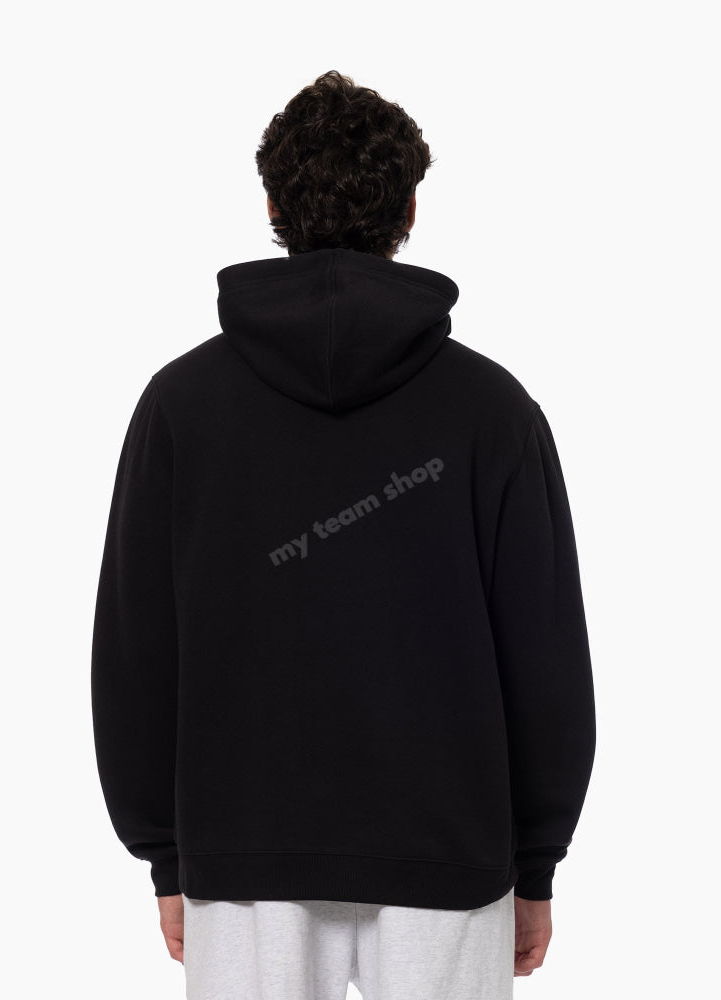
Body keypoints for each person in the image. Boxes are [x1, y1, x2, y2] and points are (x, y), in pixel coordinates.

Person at [91, 69, 596, 1000]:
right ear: (409, 211)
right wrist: (537, 863)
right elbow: (546, 654)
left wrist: (166, 854)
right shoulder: (492, 410)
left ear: (273, 207)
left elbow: (134, 649)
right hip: (450, 855)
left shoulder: (180, 406)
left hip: (243, 854)